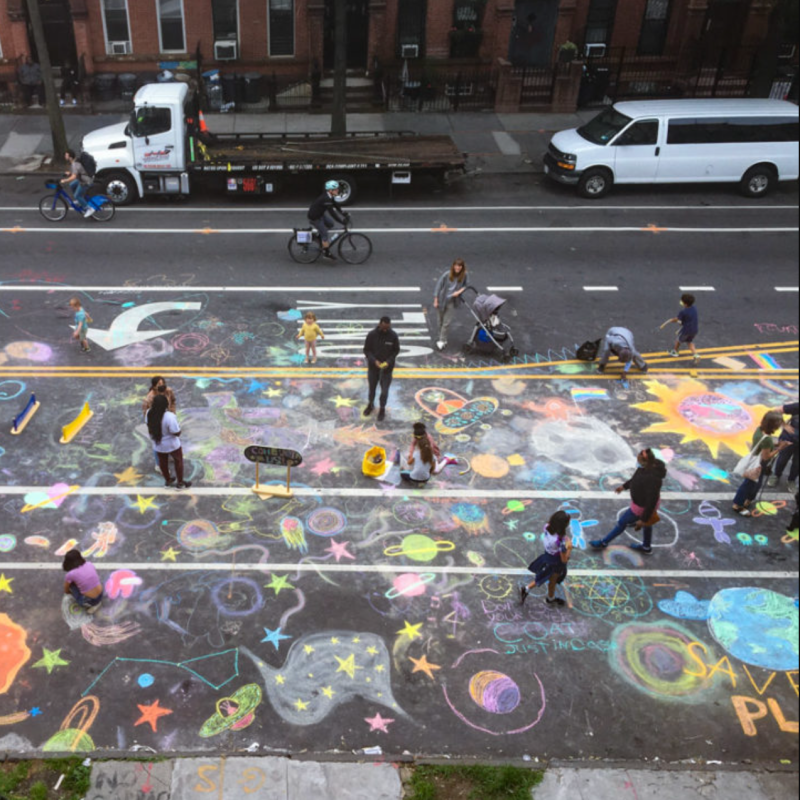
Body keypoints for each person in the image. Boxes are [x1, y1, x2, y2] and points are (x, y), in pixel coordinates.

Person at [590, 448, 666, 553]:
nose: (637, 462)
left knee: (622, 523)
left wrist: (643, 519)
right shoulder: (645, 468)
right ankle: (646, 547)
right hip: (641, 504)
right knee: (648, 525)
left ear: (645, 461)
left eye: (639, 460)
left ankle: (604, 542)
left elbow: (651, 502)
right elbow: (635, 480)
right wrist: (624, 486)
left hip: (641, 507)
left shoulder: (652, 479)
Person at [732, 411, 787, 516]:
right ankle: (738, 505)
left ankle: (747, 500)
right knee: (749, 484)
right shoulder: (766, 440)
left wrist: (775, 444)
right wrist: (780, 448)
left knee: (755, 484)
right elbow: (766, 456)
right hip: (758, 465)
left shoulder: (759, 430)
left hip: (756, 462)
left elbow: (762, 444)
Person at [520, 510, 572, 607]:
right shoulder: (559, 543)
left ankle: (550, 598)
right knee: (544, 578)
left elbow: (558, 536)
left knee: (548, 579)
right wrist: (569, 548)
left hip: (547, 556)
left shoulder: (547, 527)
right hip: (556, 563)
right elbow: (564, 559)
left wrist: (564, 538)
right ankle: (527, 589)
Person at [146, 394, 192, 490]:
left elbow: (149, 425)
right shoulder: (169, 416)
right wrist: (181, 430)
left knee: (163, 462)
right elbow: (176, 432)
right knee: (178, 461)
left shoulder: (149, 413)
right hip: (171, 444)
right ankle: (180, 483)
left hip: (158, 443)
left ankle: (168, 480)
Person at [363, 317, 400, 422]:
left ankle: (382, 409)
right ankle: (370, 405)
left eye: (387, 328)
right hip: (373, 368)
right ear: (380, 324)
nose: (385, 330)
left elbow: (396, 351)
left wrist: (388, 361)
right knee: (372, 389)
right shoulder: (371, 335)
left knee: (384, 392)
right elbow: (366, 350)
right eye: (383, 327)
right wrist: (374, 361)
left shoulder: (393, 336)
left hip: (387, 370)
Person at [307, 180, 350, 261]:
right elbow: (332, 213)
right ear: (330, 190)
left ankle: (320, 238)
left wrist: (343, 213)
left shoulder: (329, 196)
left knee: (330, 224)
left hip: (320, 214)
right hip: (315, 217)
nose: (338, 190)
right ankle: (326, 253)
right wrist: (341, 221)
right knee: (325, 234)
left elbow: (335, 205)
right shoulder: (326, 198)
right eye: (336, 189)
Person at [142, 377, 177, 473]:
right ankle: (159, 465)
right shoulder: (150, 397)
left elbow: (173, 401)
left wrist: (172, 413)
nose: (161, 385)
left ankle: (168, 455)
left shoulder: (168, 391)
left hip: (167, 419)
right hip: (156, 422)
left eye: (162, 383)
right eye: (158, 383)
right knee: (158, 444)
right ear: (154, 385)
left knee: (169, 439)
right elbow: (146, 412)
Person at [433, 259, 470, 351]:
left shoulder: (464, 275)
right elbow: (438, 286)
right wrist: (436, 300)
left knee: (446, 322)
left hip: (452, 301)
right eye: (456, 266)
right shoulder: (447, 274)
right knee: (440, 321)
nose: (457, 268)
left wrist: (458, 292)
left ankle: (441, 340)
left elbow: (466, 285)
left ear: (462, 267)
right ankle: (442, 338)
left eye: (459, 266)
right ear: (453, 266)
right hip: (442, 299)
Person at [768, 401, 799, 492]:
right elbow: (777, 410)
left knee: (797, 464)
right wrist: (784, 425)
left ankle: (791, 480)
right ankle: (776, 475)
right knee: (782, 459)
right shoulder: (796, 406)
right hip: (789, 439)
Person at [63, 549, 103, 614]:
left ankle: (88, 605)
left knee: (72, 584)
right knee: (88, 580)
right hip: (100, 594)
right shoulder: (89, 564)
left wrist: (70, 593)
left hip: (87, 600)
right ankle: (96, 603)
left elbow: (66, 590)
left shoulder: (70, 574)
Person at [663, 293, 699, 363]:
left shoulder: (683, 312)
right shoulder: (694, 308)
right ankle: (696, 355)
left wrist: (671, 320)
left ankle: (675, 351)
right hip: (694, 330)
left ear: (685, 304)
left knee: (678, 340)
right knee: (689, 342)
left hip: (686, 330)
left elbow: (677, 319)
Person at [62, 149, 95, 218]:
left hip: (85, 181)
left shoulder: (75, 164)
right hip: (83, 178)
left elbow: (74, 177)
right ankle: (79, 200)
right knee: (72, 185)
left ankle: (89, 209)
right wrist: (69, 173)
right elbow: (77, 171)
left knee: (77, 195)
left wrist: (65, 180)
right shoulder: (75, 161)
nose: (65, 156)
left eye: (66, 155)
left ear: (70, 157)